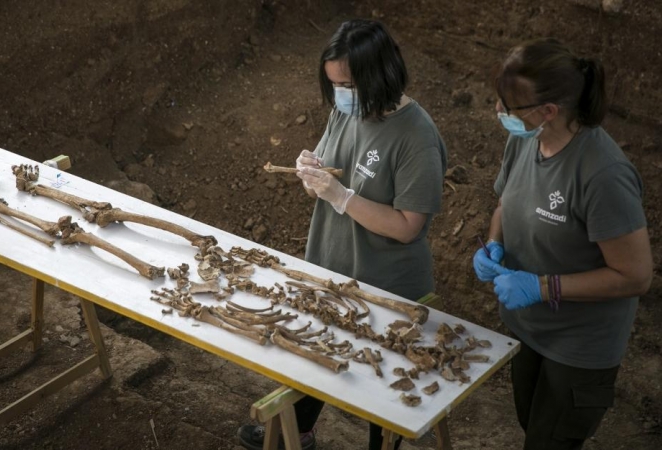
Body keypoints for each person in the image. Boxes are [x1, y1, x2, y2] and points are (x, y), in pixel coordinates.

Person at [238, 19, 447, 450]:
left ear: (379, 76)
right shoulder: (345, 108)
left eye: (347, 84)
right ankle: (299, 429)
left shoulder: (416, 136)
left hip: (385, 285)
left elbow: (410, 226)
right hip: (332, 266)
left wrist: (341, 197)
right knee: (316, 350)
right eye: (333, 85)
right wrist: (312, 170)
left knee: (380, 391)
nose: (339, 96)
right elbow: (333, 166)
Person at [473, 38, 653, 450]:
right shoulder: (523, 139)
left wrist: (541, 287)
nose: (498, 112)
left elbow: (635, 276)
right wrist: (492, 243)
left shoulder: (603, 175)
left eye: (507, 106)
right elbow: (505, 201)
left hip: (578, 346)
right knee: (531, 426)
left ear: (547, 111)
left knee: (551, 440)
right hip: (529, 328)